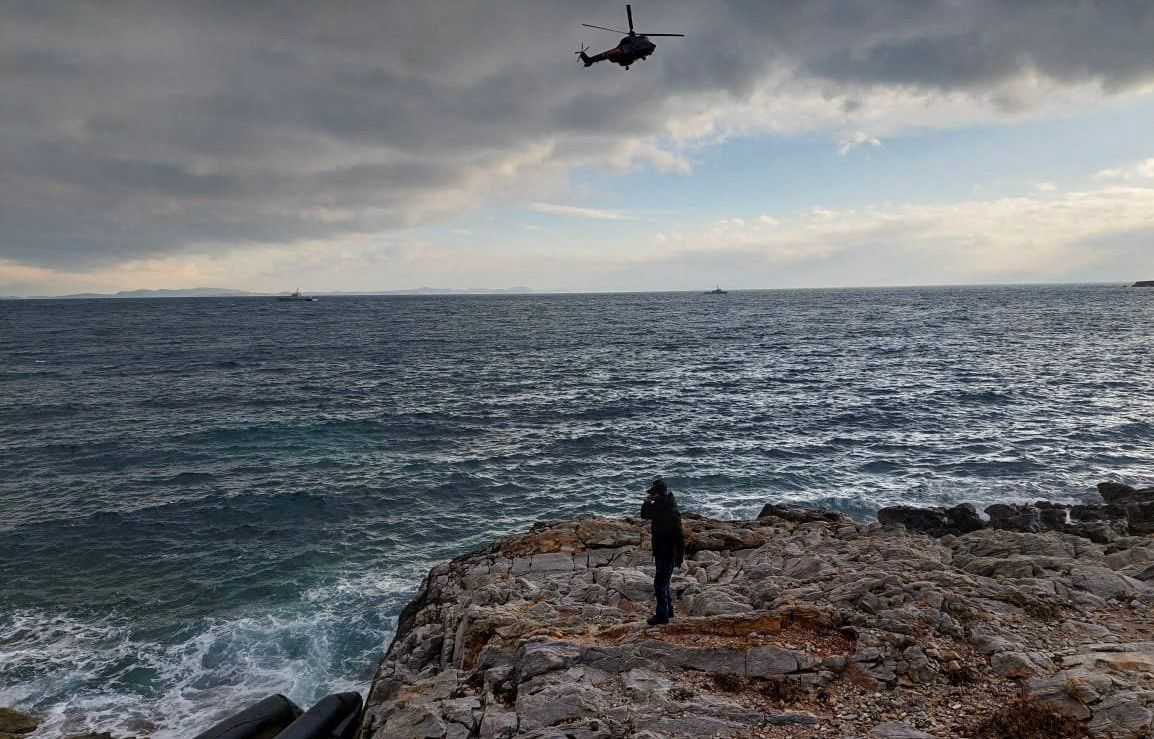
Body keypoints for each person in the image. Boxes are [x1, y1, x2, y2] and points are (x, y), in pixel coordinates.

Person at [639, 478, 685, 626]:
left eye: (653, 494)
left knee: (659, 584)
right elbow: (645, 514)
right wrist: (647, 502)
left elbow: (679, 534)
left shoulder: (666, 510)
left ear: (658, 494)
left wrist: (679, 555)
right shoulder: (665, 506)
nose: (651, 496)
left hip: (666, 551)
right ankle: (669, 611)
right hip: (665, 550)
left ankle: (662, 616)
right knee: (664, 583)